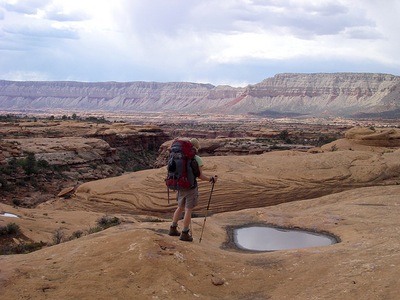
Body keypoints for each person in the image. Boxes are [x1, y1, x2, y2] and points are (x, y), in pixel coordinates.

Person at [169, 138, 217, 242]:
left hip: (179, 185)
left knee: (180, 207)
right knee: (188, 210)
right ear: (196, 147)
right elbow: (200, 176)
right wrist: (211, 179)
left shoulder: (179, 156)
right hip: (190, 187)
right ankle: (185, 233)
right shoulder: (196, 158)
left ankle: (173, 228)